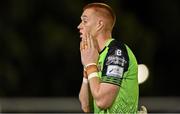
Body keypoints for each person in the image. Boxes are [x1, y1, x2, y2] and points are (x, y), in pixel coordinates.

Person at [78, 2, 139, 113]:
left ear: (99, 24)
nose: (79, 26)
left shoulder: (116, 51)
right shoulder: (96, 56)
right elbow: (85, 106)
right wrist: (87, 67)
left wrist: (91, 65)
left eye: (85, 21)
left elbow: (103, 101)